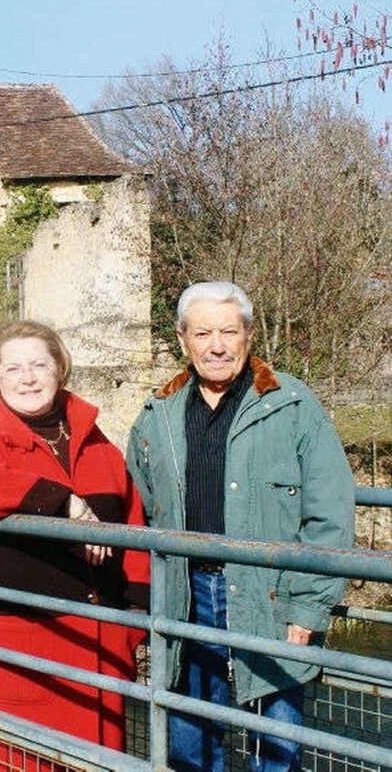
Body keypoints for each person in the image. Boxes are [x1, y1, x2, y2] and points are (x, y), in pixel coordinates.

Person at [126, 281, 355, 772]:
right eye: (203, 332)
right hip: (187, 595)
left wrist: (309, 607)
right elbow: (137, 507)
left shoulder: (292, 405)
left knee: (275, 737)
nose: (217, 345)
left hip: (271, 593)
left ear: (249, 336)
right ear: (183, 338)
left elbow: (330, 514)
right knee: (191, 733)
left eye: (229, 331)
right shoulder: (158, 414)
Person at [0, 320, 149, 768]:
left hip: (99, 644)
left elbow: (135, 530)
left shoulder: (99, 445)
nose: (28, 378)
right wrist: (65, 505)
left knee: (96, 762)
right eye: (14, 368)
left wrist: (133, 621)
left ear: (60, 369)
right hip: (23, 643)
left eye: (40, 364)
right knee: (16, 760)